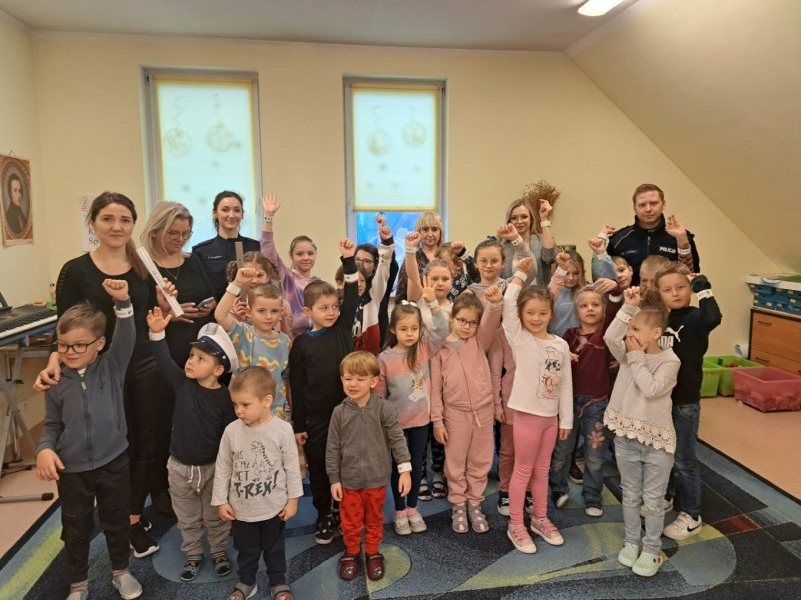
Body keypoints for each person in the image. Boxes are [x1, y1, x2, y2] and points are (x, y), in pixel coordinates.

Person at [35, 192, 161, 558]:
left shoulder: (143, 264)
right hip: (96, 374)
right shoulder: (76, 270)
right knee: (108, 444)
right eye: (108, 218)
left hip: (141, 365)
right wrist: (56, 358)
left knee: (142, 442)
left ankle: (131, 519)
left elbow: (150, 313)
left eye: (125, 219)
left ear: (133, 224)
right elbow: (64, 325)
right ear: (93, 223)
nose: (117, 226)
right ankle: (97, 517)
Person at [36, 279, 142, 600]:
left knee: (116, 521)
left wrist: (123, 302)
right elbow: (52, 425)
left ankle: (120, 571)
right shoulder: (55, 381)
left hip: (114, 462)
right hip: (72, 471)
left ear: (100, 344)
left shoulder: (112, 365)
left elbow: (127, 335)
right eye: (63, 345)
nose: (70, 352)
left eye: (79, 345)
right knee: (75, 528)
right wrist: (44, 450)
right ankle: (78, 583)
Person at [147, 311, 238, 582]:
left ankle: (219, 550)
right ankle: (193, 552)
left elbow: (229, 436)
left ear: (218, 370)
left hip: (212, 468)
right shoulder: (182, 384)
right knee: (186, 516)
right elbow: (164, 361)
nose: (190, 362)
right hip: (179, 467)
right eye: (191, 356)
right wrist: (157, 333)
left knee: (215, 515)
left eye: (200, 359)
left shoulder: (225, 398)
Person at [140, 201, 216, 515]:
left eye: (185, 233)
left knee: (195, 417)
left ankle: (199, 479)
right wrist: (171, 314)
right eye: (173, 233)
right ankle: (159, 487)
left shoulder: (192, 259)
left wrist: (208, 305)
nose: (179, 239)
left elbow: (209, 292)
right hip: (164, 350)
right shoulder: (144, 267)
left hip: (197, 347)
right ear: (156, 230)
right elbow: (142, 313)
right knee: (162, 420)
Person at [603, 287, 680, 577]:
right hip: (626, 438)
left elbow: (650, 389)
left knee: (653, 501)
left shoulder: (670, 361)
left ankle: (651, 549)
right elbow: (610, 337)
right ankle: (632, 541)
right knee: (630, 495)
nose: (629, 334)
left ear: (656, 332)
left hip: (657, 445)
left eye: (636, 329)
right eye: (630, 327)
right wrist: (627, 308)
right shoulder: (627, 352)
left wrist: (636, 357)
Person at [289, 239, 359, 545]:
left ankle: (343, 510)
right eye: (323, 308)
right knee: (318, 467)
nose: (331, 313)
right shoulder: (302, 344)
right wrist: (299, 425)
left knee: (345, 465)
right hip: (317, 419)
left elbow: (352, 296)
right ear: (308, 311)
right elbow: (297, 386)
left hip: (348, 414)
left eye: (334, 307)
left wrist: (349, 261)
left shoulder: (342, 329)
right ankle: (323, 515)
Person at [212, 367, 302, 600]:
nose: (239, 411)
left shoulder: (282, 430)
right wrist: (220, 500)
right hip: (242, 510)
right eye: (235, 405)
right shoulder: (231, 431)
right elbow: (223, 467)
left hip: (274, 507)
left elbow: (292, 467)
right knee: (246, 550)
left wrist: (293, 500)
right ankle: (247, 582)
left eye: (245, 404)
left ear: (266, 401)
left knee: (275, 550)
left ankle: (278, 582)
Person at [502, 257, 573, 554]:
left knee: (542, 471)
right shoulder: (520, 339)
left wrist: (565, 420)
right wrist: (520, 274)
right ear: (521, 315)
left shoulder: (560, 344)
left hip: (550, 419)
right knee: (523, 471)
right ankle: (516, 524)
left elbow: (566, 384)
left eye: (542, 313)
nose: (535, 318)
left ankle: (539, 518)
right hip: (527, 417)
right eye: (529, 312)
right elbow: (508, 303)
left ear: (551, 314)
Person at [326, 351, 413, 582]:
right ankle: (352, 552)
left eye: (360, 379)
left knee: (374, 518)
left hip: (376, 479)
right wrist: (334, 479)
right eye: (347, 378)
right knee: (350, 521)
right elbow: (332, 448)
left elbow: (397, 440)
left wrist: (405, 470)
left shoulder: (385, 409)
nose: (352, 384)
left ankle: (373, 551)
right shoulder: (339, 412)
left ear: (374, 382)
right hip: (348, 481)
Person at [654, 263, 722, 541]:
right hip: (663, 399)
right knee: (665, 454)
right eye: (668, 290)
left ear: (689, 289)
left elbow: (713, 317)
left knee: (684, 460)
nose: (675, 293)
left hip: (685, 402)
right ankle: (668, 496)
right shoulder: (663, 319)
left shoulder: (695, 318)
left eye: (681, 287)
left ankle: (692, 515)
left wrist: (702, 285)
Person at [376, 281, 448, 536]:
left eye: (414, 329)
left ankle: (412, 508)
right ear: (393, 329)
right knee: (400, 466)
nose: (409, 334)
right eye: (404, 329)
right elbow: (380, 396)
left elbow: (442, 329)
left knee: (417, 465)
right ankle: (399, 510)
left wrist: (432, 303)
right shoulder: (384, 358)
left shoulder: (424, 348)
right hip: (396, 424)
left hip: (420, 421)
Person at [431, 287, 503, 535]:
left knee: (480, 461)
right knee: (455, 462)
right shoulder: (440, 350)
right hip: (454, 415)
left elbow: (490, 322)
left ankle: (474, 503)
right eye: (462, 320)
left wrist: (495, 304)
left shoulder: (479, 341)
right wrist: (437, 421)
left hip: (483, 412)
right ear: (452, 318)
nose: (467, 327)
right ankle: (458, 504)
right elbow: (435, 390)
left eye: (473, 323)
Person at [548, 284, 618, 517]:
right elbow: (552, 358)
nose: (590, 309)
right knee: (562, 449)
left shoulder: (607, 335)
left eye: (595, 305)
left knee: (594, 454)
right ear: (576, 311)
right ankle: (558, 488)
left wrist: (616, 291)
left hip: (597, 404)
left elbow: (616, 313)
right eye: (584, 305)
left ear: (603, 309)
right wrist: (563, 355)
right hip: (567, 402)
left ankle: (592, 495)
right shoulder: (568, 336)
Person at [215, 270, 292, 420]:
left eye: (274, 311)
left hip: (274, 413)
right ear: (249, 311)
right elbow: (220, 315)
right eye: (261, 311)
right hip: (242, 411)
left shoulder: (285, 341)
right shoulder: (242, 333)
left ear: (281, 312)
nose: (269, 316)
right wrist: (237, 284)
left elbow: (286, 378)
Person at [607, 183, 700, 285]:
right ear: (635, 208)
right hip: (632, 294)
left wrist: (683, 241)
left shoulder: (681, 237)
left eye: (653, 203)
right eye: (642, 205)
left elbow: (692, 277)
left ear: (663, 205)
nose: (648, 209)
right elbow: (607, 278)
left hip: (671, 294)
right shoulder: (618, 240)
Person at [261, 193, 321, 339]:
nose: (306, 257)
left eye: (310, 253)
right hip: (289, 338)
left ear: (315, 255)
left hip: (314, 339)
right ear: (292, 256)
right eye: (300, 254)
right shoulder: (287, 277)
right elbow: (268, 250)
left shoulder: (319, 283)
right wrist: (269, 217)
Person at [191, 190, 260, 300]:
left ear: (242, 214)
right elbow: (199, 288)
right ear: (215, 213)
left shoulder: (255, 247)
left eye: (237, 210)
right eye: (225, 210)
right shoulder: (201, 251)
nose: (231, 215)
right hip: (216, 309)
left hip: (251, 307)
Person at [351, 215, 395, 354]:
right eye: (357, 259)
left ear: (375, 265)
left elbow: (386, 265)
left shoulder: (375, 291)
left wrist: (386, 241)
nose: (361, 264)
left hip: (371, 350)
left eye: (367, 261)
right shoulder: (346, 292)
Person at [224, 251, 293, 338]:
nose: (254, 280)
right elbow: (230, 340)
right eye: (248, 275)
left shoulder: (283, 305)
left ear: (268, 277)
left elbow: (288, 339)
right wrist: (239, 320)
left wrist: (281, 318)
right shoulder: (233, 306)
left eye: (259, 275)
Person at [499, 193, 556, 287]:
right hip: (512, 294)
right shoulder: (503, 245)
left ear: (531, 219)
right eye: (514, 218)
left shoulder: (541, 239)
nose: (519, 221)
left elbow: (549, 258)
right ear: (509, 221)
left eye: (524, 217)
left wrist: (544, 218)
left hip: (538, 294)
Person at [394, 211, 445, 302]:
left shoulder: (447, 255)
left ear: (440, 232)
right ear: (419, 232)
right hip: (418, 307)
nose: (430, 234)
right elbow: (401, 292)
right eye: (425, 230)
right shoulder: (412, 257)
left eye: (434, 229)